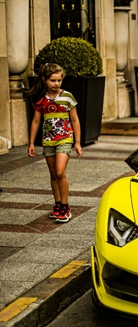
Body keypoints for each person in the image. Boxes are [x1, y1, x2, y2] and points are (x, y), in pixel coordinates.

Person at [26, 63, 82, 223]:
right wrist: (31, 143)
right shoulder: (40, 99)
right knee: (52, 174)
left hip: (65, 139)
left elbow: (75, 120)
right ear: (44, 80)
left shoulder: (67, 97)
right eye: (53, 80)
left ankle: (65, 207)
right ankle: (57, 205)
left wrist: (77, 142)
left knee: (59, 172)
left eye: (59, 80)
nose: (56, 83)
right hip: (48, 140)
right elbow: (36, 122)